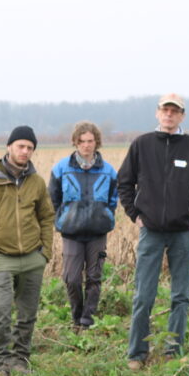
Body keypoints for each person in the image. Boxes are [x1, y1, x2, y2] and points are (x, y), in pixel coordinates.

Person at [118, 93, 189, 369]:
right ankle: (137, 353)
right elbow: (124, 183)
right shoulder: (142, 145)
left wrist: (188, 209)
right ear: (157, 113)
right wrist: (135, 214)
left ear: (182, 115)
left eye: (175, 111)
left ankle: (173, 350)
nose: (169, 115)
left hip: (182, 232)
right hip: (150, 231)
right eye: (165, 110)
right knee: (143, 295)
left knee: (180, 295)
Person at [0, 125, 54, 376]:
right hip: (0, 258)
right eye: (21, 146)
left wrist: (45, 252)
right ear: (9, 147)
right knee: (2, 312)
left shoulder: (36, 182)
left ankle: (20, 359)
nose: (25, 151)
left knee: (27, 314)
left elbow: (46, 216)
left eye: (30, 147)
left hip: (32, 257)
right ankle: (0, 364)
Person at [49, 121, 119, 330]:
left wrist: (105, 214)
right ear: (75, 142)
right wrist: (62, 218)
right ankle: (77, 317)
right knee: (71, 278)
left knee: (94, 278)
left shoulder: (108, 171)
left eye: (90, 141)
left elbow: (113, 198)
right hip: (71, 232)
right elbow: (53, 198)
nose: (86, 145)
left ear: (97, 142)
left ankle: (87, 321)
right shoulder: (61, 168)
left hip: (98, 232)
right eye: (82, 141)